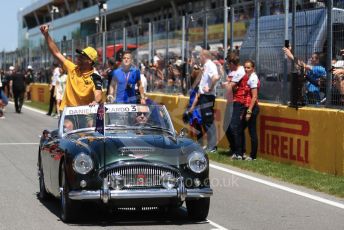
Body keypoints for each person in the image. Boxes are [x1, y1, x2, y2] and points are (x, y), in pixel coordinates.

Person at [40, 24, 103, 115]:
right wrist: (46, 34)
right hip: (68, 112)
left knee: (90, 126)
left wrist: (96, 102)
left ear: (90, 61)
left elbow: (98, 93)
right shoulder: (72, 68)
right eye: (79, 55)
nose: (78, 57)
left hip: (85, 114)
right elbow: (56, 53)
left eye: (82, 56)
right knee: (68, 127)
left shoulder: (95, 76)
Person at [189, 49, 220, 153]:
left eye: (200, 57)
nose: (199, 59)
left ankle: (213, 146)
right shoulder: (206, 66)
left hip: (207, 96)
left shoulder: (211, 65)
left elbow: (216, 77)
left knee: (208, 121)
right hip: (203, 96)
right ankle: (210, 145)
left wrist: (210, 88)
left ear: (203, 56)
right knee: (206, 121)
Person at [221, 51, 246, 157]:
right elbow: (228, 85)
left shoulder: (240, 71)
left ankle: (239, 151)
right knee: (225, 126)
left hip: (238, 101)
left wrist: (227, 84)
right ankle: (234, 148)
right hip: (230, 101)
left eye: (228, 64)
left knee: (235, 126)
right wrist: (227, 84)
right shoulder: (232, 72)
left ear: (232, 63)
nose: (228, 66)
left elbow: (229, 86)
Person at [242, 60, 260, 161]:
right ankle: (241, 152)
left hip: (252, 108)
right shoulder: (249, 77)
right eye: (245, 67)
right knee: (240, 128)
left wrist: (249, 111)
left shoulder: (253, 78)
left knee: (252, 132)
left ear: (253, 68)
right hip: (248, 106)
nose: (246, 69)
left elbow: (254, 97)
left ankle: (253, 156)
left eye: (248, 67)